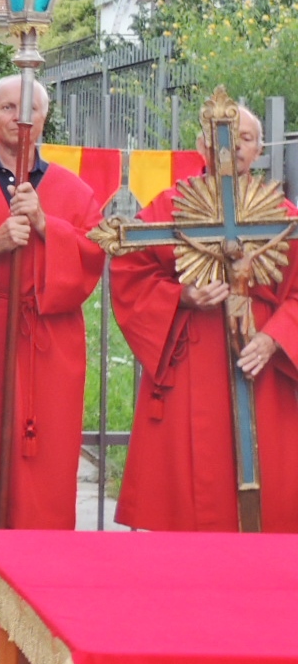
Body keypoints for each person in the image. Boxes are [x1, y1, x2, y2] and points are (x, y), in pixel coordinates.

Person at [110, 103, 298, 532]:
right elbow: (130, 272)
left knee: (267, 505)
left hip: (261, 366)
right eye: (223, 138)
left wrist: (275, 337)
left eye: (245, 138)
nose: (233, 149)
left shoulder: (283, 214)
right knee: (187, 515)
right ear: (202, 145)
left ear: (260, 148)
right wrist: (183, 296)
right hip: (191, 362)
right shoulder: (170, 207)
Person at [0, 76, 103, 530]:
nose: (22, 117)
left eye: (31, 108)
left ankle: (42, 561)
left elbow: (94, 254)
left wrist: (44, 225)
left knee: (47, 455)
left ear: (44, 117)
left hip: (49, 341)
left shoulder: (75, 191)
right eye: (10, 107)